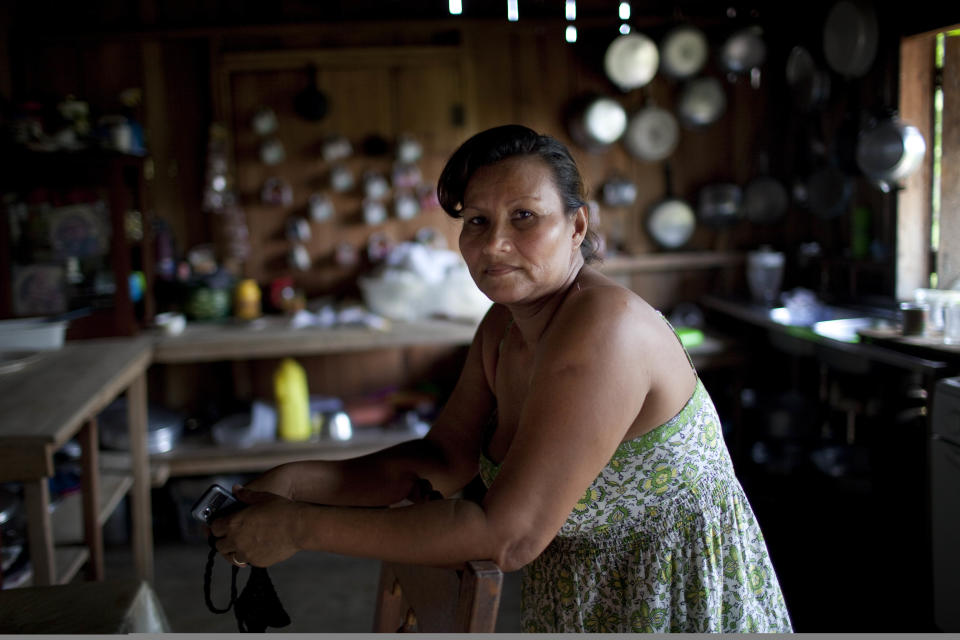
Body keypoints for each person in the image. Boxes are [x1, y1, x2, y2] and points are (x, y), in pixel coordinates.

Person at [211, 124, 793, 633]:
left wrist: (300, 527)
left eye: (524, 217)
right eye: (476, 221)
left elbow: (506, 536)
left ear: (577, 226)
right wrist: (300, 482)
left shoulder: (603, 327)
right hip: (585, 597)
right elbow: (442, 458)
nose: (494, 244)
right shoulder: (503, 326)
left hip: (678, 596)